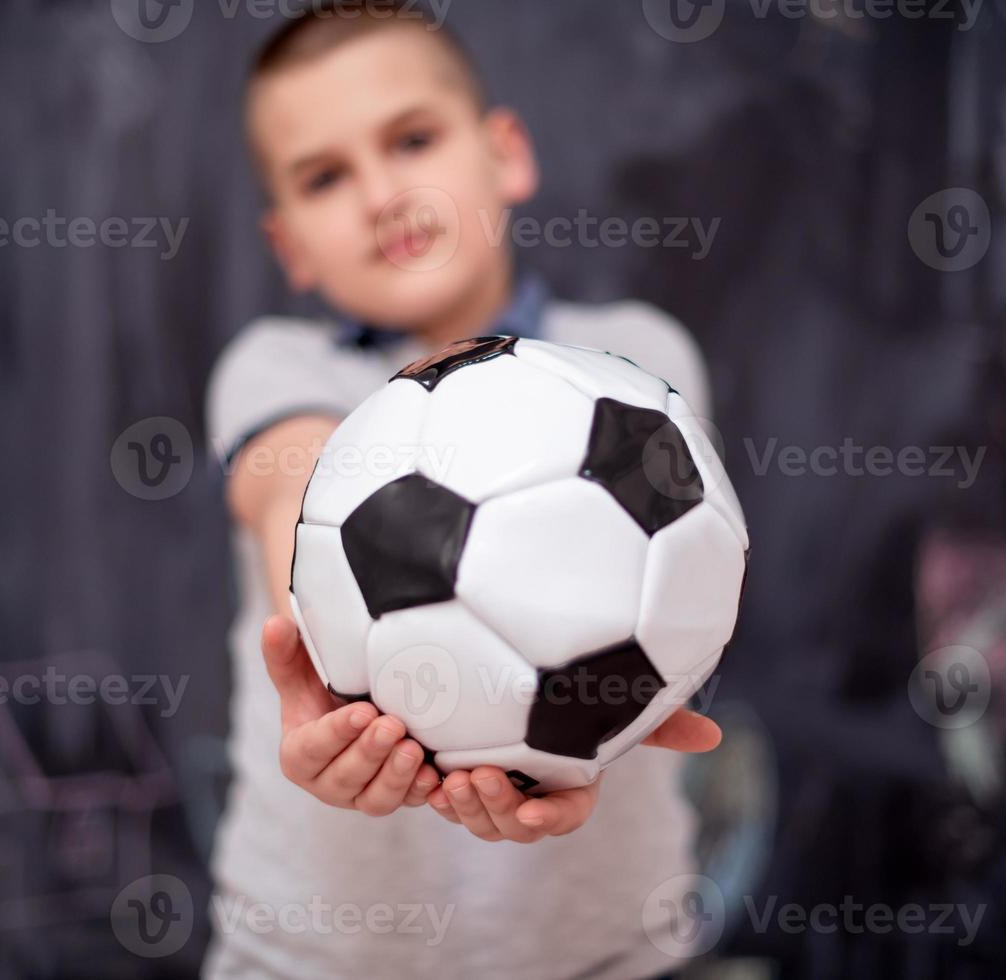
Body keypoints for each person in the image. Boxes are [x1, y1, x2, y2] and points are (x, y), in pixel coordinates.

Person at [204, 4, 724, 977]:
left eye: (412, 139)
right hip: (310, 956)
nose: (380, 193)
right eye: (325, 176)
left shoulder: (635, 365)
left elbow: (665, 582)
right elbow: (293, 488)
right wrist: (326, 677)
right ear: (292, 247)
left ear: (506, 156)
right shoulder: (274, 371)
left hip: (603, 950)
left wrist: (586, 743)